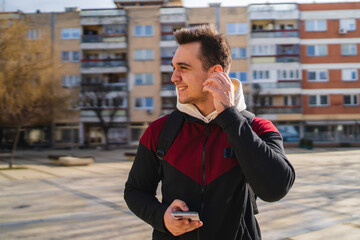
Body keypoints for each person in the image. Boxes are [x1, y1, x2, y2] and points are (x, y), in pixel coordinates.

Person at [124, 24, 295, 240]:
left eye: (183, 68)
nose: (174, 77)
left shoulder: (258, 128)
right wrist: (161, 217)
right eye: (173, 68)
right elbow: (135, 191)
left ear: (214, 73)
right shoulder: (159, 131)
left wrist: (230, 117)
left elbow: (276, 189)